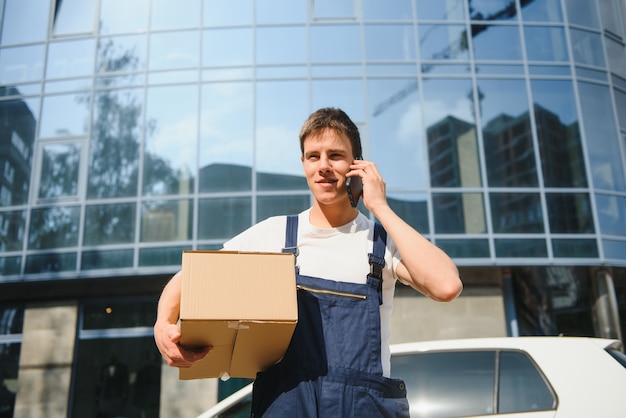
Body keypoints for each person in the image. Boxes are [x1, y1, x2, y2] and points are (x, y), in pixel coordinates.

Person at [154, 107, 462, 417]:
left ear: (358, 164)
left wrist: (380, 207)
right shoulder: (276, 235)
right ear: (303, 164)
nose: (324, 166)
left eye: (336, 155)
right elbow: (191, 279)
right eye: (313, 156)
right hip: (287, 406)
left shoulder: (381, 242)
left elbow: (446, 285)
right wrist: (163, 325)